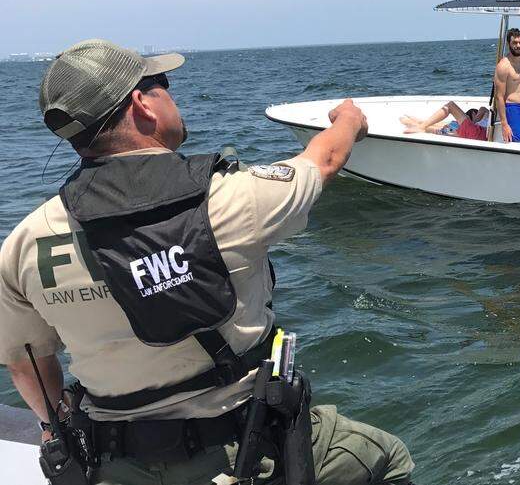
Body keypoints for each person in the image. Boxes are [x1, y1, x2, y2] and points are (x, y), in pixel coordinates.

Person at [0, 39, 414, 484]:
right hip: (243, 451)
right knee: (387, 457)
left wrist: (54, 428)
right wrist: (349, 120)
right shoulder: (230, 198)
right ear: (142, 104)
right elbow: (324, 158)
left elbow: (27, 364)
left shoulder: (24, 244)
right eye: (163, 85)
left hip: (113, 461)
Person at [400, 101, 489, 140]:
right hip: (476, 132)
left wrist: (474, 121)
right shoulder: (487, 118)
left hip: (475, 133)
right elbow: (484, 109)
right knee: (440, 126)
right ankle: (418, 123)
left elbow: (483, 109)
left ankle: (419, 126)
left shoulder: (480, 118)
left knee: (450, 105)